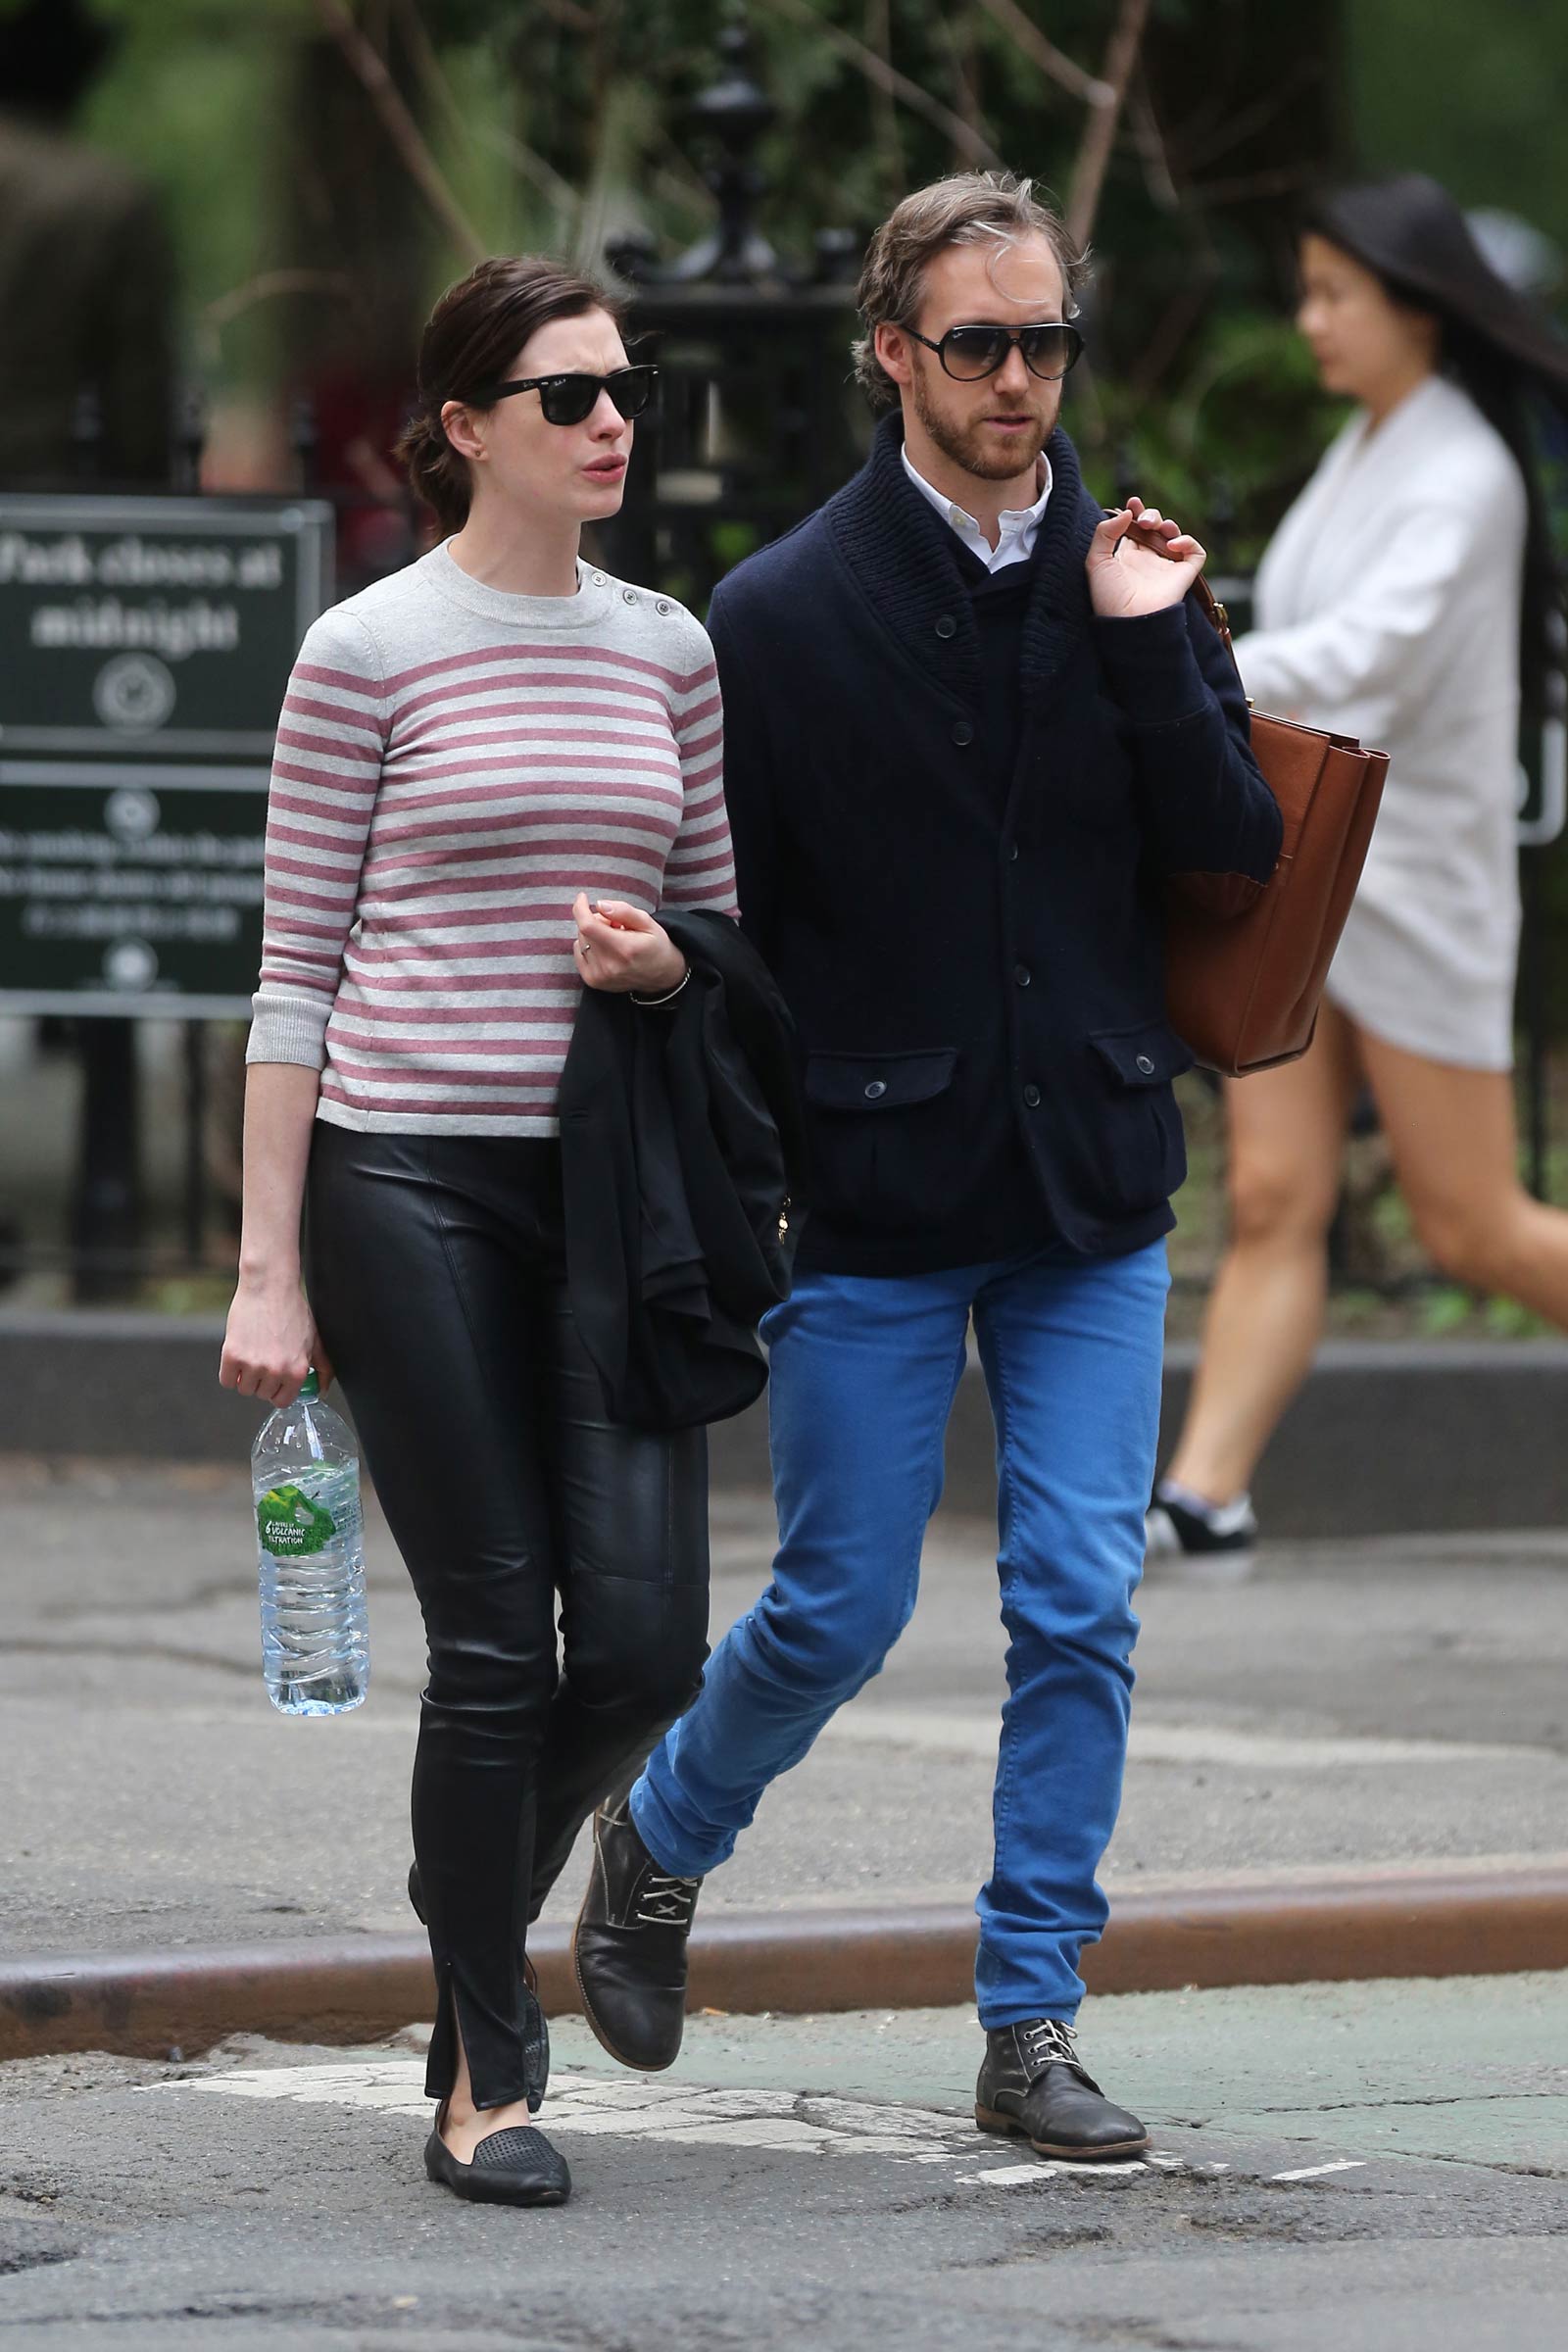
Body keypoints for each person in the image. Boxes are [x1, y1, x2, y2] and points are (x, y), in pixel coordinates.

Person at [569, 172, 1281, 2161]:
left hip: (1087, 1184)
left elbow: (1231, 851)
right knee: (836, 1605)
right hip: (871, 1195)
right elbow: (737, 923)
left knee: (1078, 1599)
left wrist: (1153, 641)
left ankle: (1028, 2017)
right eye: (973, 343)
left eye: (1041, 340)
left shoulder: (1131, 575)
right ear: (888, 351)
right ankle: (658, 1834)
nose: (1015, 380)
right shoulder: (781, 615)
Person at [220, 256, 742, 2207]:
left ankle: (458, 1904)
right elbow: (293, 970)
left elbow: (721, 925)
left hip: (609, 1190)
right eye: (566, 395)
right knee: (503, 1647)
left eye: (625, 390)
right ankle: (482, 2074)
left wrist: (664, 964)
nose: (612, 422)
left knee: (642, 1643)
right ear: (462, 430)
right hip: (406, 1179)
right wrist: (270, 1264)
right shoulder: (363, 651)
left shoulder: (669, 651)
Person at [1150, 174, 1568, 1566]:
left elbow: (1366, 658)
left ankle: (1205, 1489)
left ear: (1421, 310)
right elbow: (1321, 643)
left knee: (1476, 1230)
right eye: (1310, 289)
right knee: (1274, 1196)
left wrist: (1185, 667)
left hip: (1415, 886)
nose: (1311, 320)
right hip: (1317, 872)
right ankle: (1205, 1491)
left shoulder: (1461, 469)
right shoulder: (1380, 440)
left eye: (1336, 294)